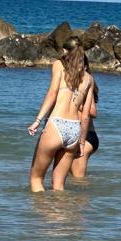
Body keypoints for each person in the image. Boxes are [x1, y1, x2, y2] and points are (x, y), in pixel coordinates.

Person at [27, 36, 95, 192]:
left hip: (56, 125)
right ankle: (60, 214)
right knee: (59, 186)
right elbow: (85, 115)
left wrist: (37, 120)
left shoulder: (58, 65)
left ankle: (42, 215)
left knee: (36, 178)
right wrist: (82, 143)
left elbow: (52, 93)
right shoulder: (89, 79)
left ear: (65, 51)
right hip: (74, 130)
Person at [70, 57, 100, 179]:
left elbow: (93, 112)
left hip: (87, 136)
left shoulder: (87, 86)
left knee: (78, 179)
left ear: (86, 67)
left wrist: (76, 103)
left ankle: (85, 197)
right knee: (71, 176)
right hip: (76, 135)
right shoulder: (73, 85)